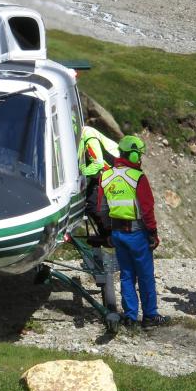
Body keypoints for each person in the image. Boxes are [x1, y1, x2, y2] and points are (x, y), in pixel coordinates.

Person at [98, 135, 169, 329]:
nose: (141, 158)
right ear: (134, 154)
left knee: (126, 275)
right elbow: (147, 209)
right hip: (137, 234)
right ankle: (150, 317)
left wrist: (107, 233)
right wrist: (153, 233)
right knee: (145, 276)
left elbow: (102, 209)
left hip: (117, 234)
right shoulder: (138, 177)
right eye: (139, 154)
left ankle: (130, 317)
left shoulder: (106, 175)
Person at [78, 125, 120, 236]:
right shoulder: (80, 136)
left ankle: (110, 235)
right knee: (90, 200)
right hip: (110, 172)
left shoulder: (88, 136)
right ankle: (107, 234)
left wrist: (77, 175)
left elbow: (97, 164)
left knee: (94, 204)